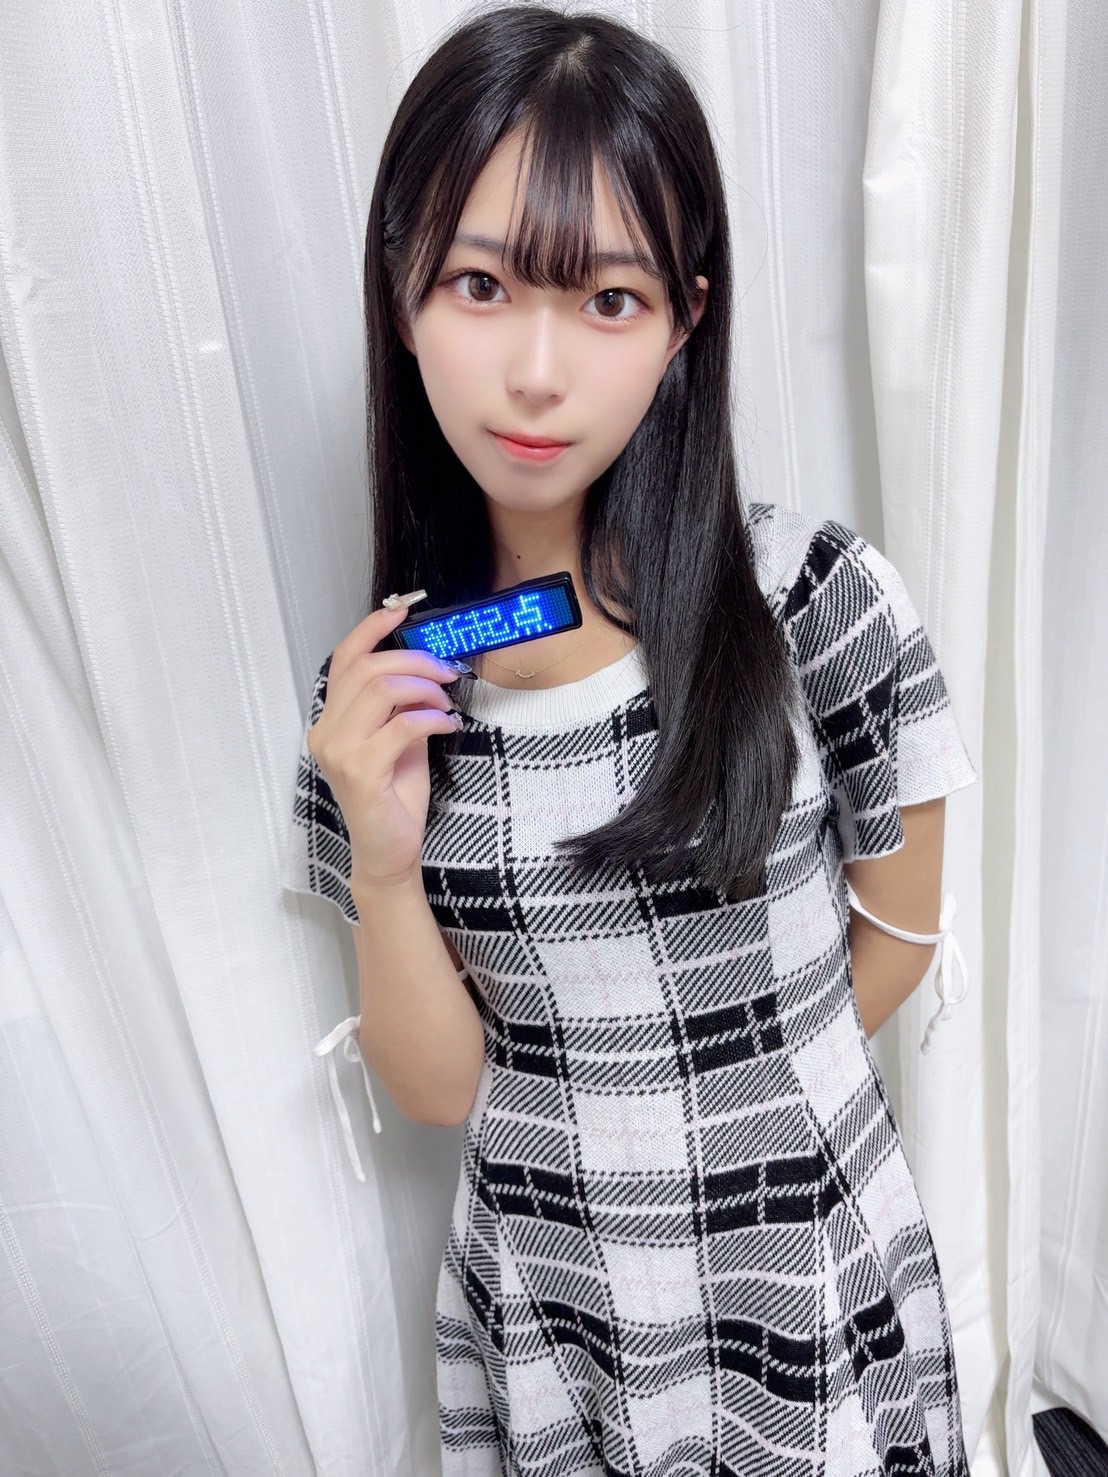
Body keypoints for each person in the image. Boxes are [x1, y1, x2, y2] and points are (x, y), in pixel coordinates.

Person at [283, 7, 978, 1474]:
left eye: (608, 298)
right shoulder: (385, 693)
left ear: (682, 322)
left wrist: (717, 1144)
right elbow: (441, 1091)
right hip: (556, 1306)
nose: (536, 372)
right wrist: (385, 858)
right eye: (480, 283)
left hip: (793, 1265)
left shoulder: (814, 599)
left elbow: (904, 934)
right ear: (402, 296)